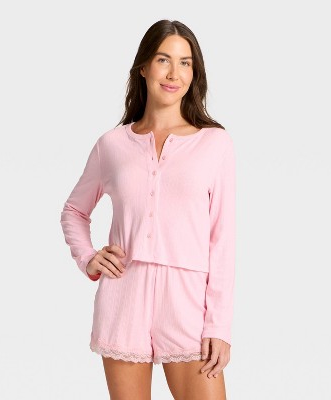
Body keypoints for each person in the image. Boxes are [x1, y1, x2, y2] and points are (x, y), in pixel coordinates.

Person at [60, 19, 235, 400]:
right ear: (143, 67)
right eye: (163, 60)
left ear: (195, 72)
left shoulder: (214, 143)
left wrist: (218, 325)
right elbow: (74, 210)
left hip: (188, 302)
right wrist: (88, 257)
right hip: (124, 294)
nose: (174, 73)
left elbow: (222, 239)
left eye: (185, 63)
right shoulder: (111, 145)